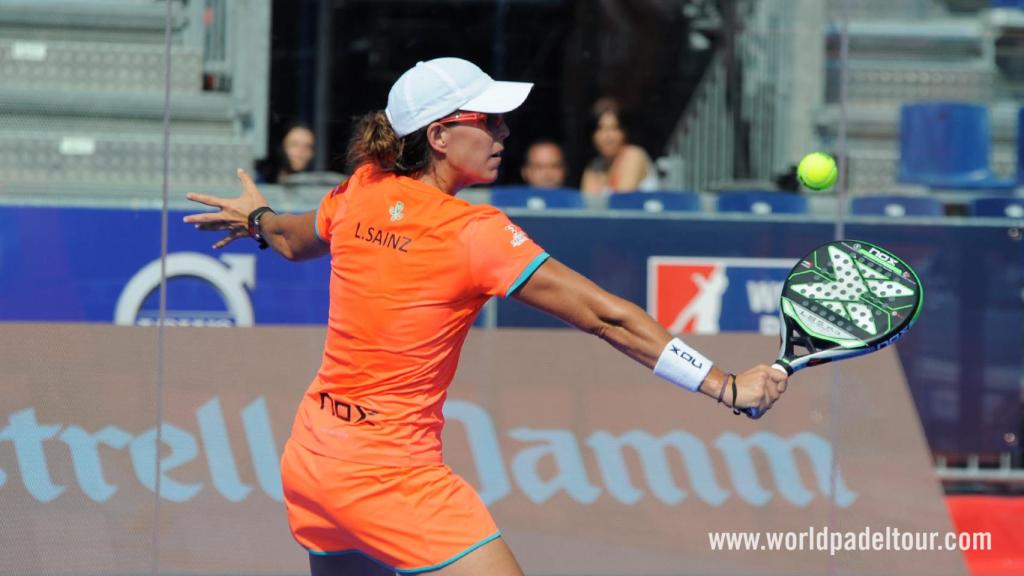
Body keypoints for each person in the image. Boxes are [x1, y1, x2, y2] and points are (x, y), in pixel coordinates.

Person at [184, 57, 787, 576]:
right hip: (395, 477)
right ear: (441, 135)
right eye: (488, 120)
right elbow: (610, 319)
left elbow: (290, 240)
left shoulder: (362, 188)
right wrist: (725, 386)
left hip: (313, 462)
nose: (504, 131)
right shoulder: (477, 232)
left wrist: (257, 220)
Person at [580, 97, 659, 196]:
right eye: (601, 129)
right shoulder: (594, 167)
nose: (608, 136)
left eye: (614, 128)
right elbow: (587, 205)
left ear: (624, 133)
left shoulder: (634, 155)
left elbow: (621, 201)